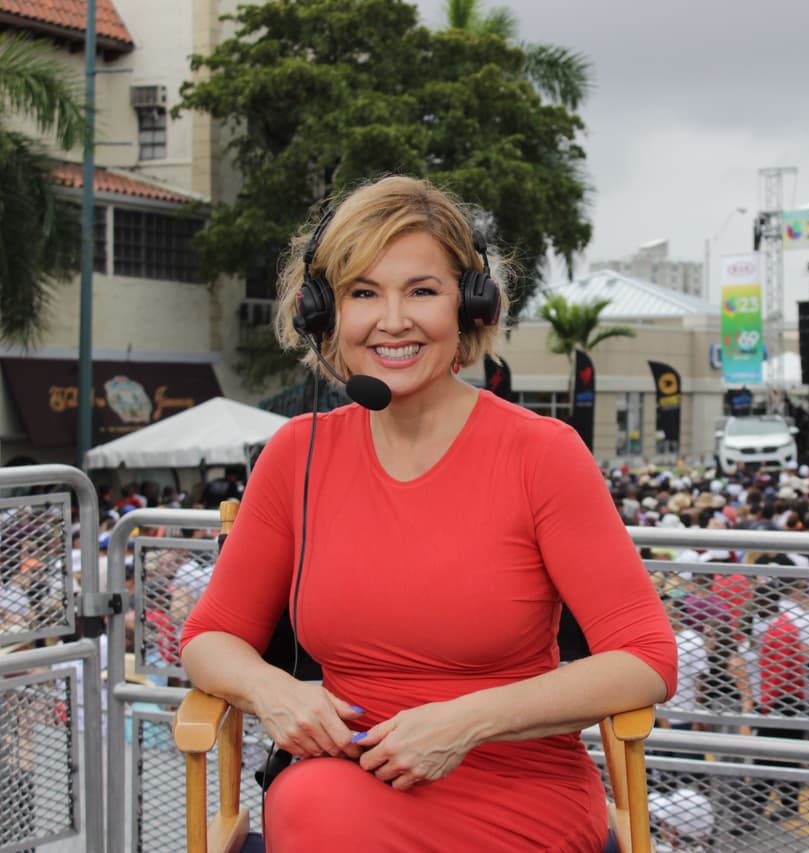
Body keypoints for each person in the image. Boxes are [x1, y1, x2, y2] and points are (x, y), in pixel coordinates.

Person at [179, 176, 677, 851]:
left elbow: (646, 658)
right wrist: (273, 690)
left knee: (311, 808)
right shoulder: (296, 455)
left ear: (470, 306)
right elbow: (209, 637)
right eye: (363, 292)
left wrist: (464, 722)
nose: (392, 320)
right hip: (342, 785)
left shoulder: (544, 454)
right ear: (323, 312)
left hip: (519, 790)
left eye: (422, 290)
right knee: (311, 800)